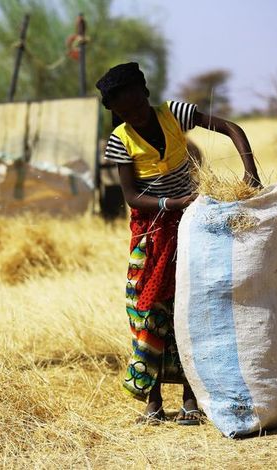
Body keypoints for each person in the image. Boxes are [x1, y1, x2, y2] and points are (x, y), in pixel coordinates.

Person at [95, 62, 260, 424]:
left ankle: (190, 399)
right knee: (146, 308)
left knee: (191, 307)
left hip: (193, 224)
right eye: (123, 111)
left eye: (135, 105)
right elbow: (132, 196)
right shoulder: (119, 140)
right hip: (151, 231)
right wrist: (171, 204)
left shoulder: (174, 113)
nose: (133, 115)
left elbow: (230, 128)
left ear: (145, 93)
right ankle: (152, 403)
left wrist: (251, 171)